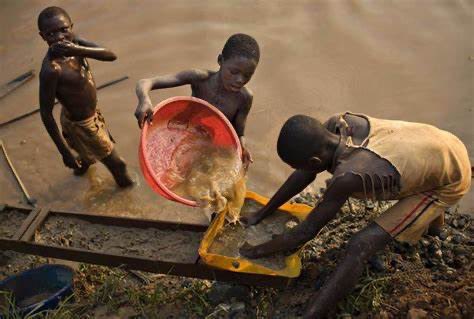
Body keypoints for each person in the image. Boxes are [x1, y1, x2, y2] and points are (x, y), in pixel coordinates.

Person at [240, 112, 471, 318]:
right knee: (420, 173)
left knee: (360, 244)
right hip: (441, 143)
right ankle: (435, 228)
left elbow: (305, 232)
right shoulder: (339, 124)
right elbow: (305, 174)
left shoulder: (349, 176)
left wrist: (254, 251)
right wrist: (262, 212)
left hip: (449, 180)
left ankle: (314, 312)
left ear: (315, 161)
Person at [38, 6, 133, 187]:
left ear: (71, 26)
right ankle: (131, 198)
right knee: (119, 165)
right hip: (84, 124)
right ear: (42, 36)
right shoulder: (52, 70)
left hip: (83, 115)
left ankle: (78, 173)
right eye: (51, 34)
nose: (59, 37)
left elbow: (111, 55)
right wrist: (64, 152)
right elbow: (45, 114)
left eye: (64, 30)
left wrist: (77, 50)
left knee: (85, 158)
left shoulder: (76, 43)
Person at [134, 33, 260, 169]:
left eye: (247, 75)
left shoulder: (244, 98)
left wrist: (243, 148)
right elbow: (145, 82)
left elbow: (239, 131)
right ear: (220, 60)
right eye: (234, 72)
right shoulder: (200, 79)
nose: (240, 80)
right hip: (183, 129)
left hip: (211, 143)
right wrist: (144, 100)